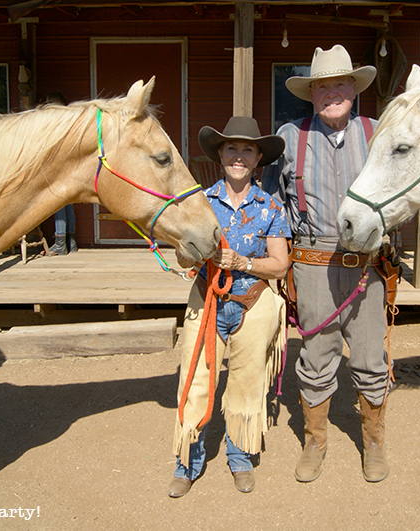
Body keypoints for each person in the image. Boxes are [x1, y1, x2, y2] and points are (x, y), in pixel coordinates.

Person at [261, 44, 390, 483]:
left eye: (339, 84)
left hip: (367, 266)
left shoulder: (378, 133)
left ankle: (373, 442)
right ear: (310, 94)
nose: (331, 93)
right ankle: (315, 441)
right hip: (312, 263)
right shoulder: (288, 136)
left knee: (372, 358)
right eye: (322, 87)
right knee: (316, 355)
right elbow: (273, 204)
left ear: (353, 88)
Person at [170, 116, 290, 498]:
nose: (239, 156)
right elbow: (183, 259)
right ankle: (187, 463)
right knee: (195, 382)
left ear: (258, 159)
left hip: (253, 304)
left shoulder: (272, 207)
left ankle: (239, 457)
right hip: (207, 301)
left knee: (247, 382)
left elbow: (280, 263)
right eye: (232, 148)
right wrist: (189, 254)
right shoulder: (199, 203)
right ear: (220, 154)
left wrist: (242, 264)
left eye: (248, 150)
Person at [44, 92, 78, 256]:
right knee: (67, 203)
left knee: (58, 202)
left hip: (58, 165)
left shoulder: (55, 124)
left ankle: (60, 243)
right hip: (70, 165)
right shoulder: (70, 122)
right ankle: (71, 241)